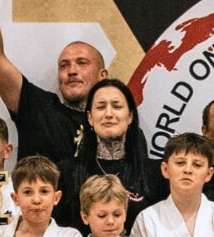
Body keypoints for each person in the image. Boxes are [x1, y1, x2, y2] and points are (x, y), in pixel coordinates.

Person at [0, 0, 106, 165]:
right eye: (64, 65)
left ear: (102, 76)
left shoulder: (120, 125)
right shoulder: (38, 109)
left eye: (82, 63)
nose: (72, 71)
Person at [55, 80, 164, 228]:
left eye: (117, 106)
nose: (108, 114)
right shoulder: (66, 173)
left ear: (130, 116)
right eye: (100, 107)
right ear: (90, 118)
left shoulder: (156, 173)